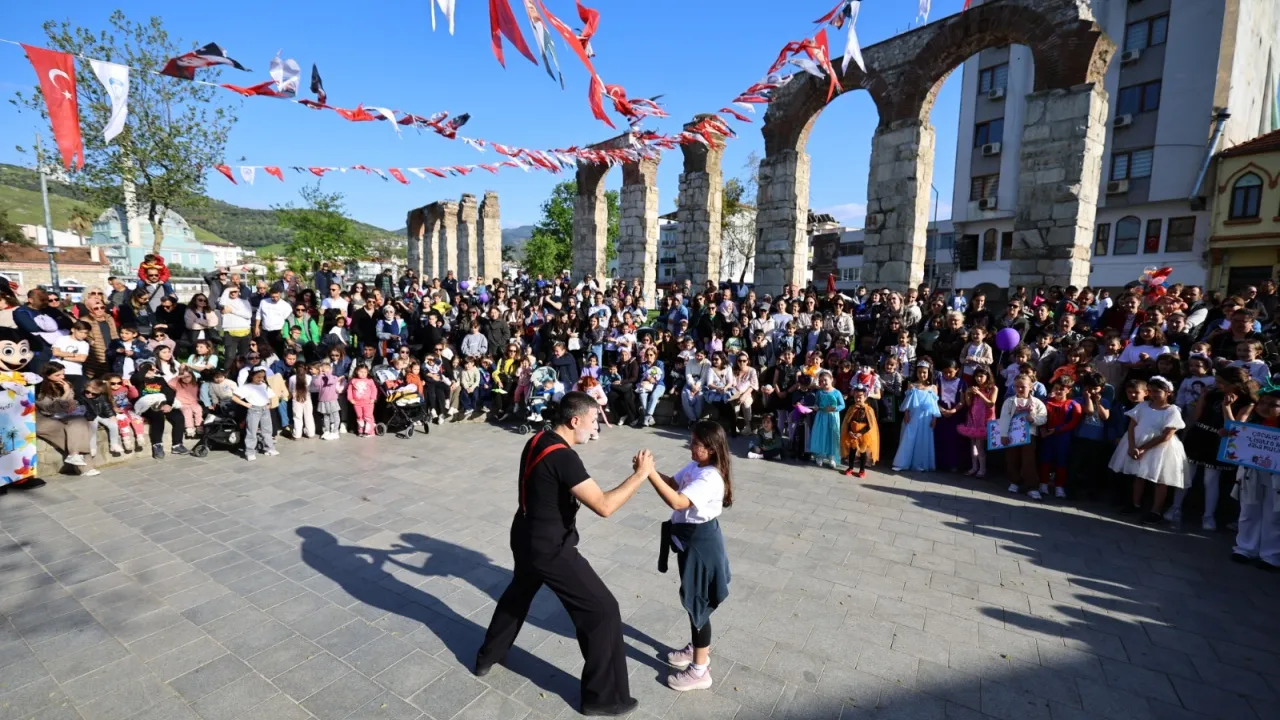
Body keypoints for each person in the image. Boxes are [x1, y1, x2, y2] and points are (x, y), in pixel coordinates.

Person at [476, 392, 651, 717]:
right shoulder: (564, 458)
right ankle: (603, 698)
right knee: (603, 610)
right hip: (550, 548)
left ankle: (488, 656)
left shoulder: (538, 438)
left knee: (519, 594)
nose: (595, 427)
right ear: (574, 420)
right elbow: (604, 505)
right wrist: (641, 475)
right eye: (593, 420)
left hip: (524, 534)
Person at [644, 420, 732, 692]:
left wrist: (648, 474)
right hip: (690, 540)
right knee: (695, 598)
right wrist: (651, 470)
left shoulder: (710, 477)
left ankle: (700, 671)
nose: (690, 446)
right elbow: (673, 484)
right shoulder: (696, 466)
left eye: (696, 443)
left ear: (712, 448)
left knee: (698, 603)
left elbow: (677, 501)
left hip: (701, 545)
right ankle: (697, 648)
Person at [1111, 375, 1187, 523]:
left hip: (1160, 448)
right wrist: (1132, 446)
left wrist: (1143, 449)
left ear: (1168, 393)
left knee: (1160, 479)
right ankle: (1135, 504)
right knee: (1139, 475)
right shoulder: (1143, 406)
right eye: (1151, 391)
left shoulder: (1172, 411)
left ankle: (1156, 511)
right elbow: (1132, 426)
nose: (1153, 394)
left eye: (1157, 391)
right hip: (1137, 443)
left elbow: (1167, 435)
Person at [1232, 389, 1280, 570]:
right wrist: (1228, 436)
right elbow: (1236, 441)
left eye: (1273, 405)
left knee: (1274, 515)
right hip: (1252, 472)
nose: (1265, 407)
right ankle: (1245, 548)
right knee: (1249, 509)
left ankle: (1271, 555)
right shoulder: (1252, 423)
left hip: (1276, 478)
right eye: (1263, 403)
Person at [34, 362, 98, 476]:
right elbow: (50, 409)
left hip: (64, 415)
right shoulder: (40, 388)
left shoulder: (65, 384)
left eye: (63, 374)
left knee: (80, 423)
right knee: (70, 434)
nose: (62, 377)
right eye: (58, 375)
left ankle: (74, 455)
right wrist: (66, 393)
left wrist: (71, 401)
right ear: (47, 375)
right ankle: (85, 468)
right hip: (44, 418)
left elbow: (69, 401)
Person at [998, 375, 1048, 497]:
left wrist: (1033, 419)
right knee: (1012, 459)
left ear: (1030, 387)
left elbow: (1043, 417)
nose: (1019, 389)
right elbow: (1004, 418)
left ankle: (1032, 486)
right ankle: (1015, 482)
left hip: (1029, 436)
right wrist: (1003, 434)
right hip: (1012, 435)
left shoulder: (1037, 402)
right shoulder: (1009, 401)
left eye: (1023, 387)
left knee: (1028, 461)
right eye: (1016, 387)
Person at [892, 361, 940, 472]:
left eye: (924, 372)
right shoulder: (912, 385)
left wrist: (934, 419)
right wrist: (906, 414)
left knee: (923, 439)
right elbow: (907, 402)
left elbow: (934, 405)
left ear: (929, 373)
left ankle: (920, 464)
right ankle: (902, 463)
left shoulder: (932, 387)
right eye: (919, 372)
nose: (922, 375)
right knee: (908, 437)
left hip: (926, 417)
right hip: (913, 415)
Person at [958, 366, 997, 478]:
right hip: (973, 419)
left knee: (980, 446)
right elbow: (969, 404)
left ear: (987, 376)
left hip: (984, 420)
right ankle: (974, 467)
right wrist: (968, 393)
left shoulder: (993, 388)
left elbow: (991, 403)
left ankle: (982, 469)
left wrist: (979, 393)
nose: (978, 379)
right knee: (973, 445)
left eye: (981, 376)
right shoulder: (973, 388)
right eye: (976, 376)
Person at [232, 368, 279, 461]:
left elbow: (270, 395)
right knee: (252, 431)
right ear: (252, 376)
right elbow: (234, 397)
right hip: (254, 410)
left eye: (262, 377)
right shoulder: (247, 387)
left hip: (265, 409)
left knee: (267, 430)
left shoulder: (264, 385)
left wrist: (269, 404)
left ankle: (269, 448)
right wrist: (245, 404)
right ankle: (250, 452)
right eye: (258, 377)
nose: (261, 379)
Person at [807, 370, 845, 469]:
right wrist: (816, 407)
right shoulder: (819, 392)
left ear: (831, 379)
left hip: (832, 417)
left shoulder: (837, 392)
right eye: (821, 381)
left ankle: (831, 457)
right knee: (821, 435)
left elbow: (842, 405)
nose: (823, 382)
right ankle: (819, 455)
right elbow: (817, 403)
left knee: (832, 436)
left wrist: (835, 408)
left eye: (825, 380)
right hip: (821, 416)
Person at [841, 385, 880, 478]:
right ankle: (850, 467)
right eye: (856, 397)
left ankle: (862, 470)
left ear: (865, 397)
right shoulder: (851, 408)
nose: (858, 399)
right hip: (852, 433)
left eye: (860, 397)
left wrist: (860, 433)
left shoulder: (869, 410)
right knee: (852, 451)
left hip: (864, 434)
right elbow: (847, 422)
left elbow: (870, 425)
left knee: (863, 452)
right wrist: (850, 431)